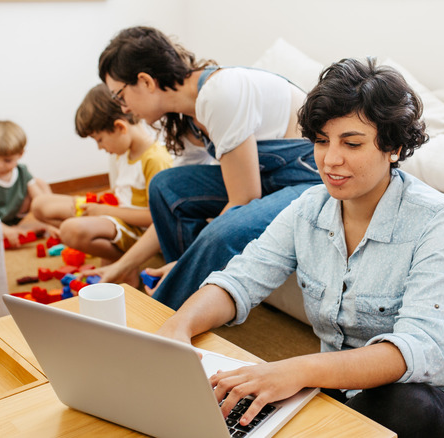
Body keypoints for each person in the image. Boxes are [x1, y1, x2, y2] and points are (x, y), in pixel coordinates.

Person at [156, 58, 444, 438]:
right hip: (341, 389)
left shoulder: (435, 220)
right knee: (247, 407)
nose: (330, 160)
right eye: (321, 141)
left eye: (352, 143)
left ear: (393, 147)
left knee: (405, 406)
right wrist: (178, 326)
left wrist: (296, 370)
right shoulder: (308, 208)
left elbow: (416, 349)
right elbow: (241, 279)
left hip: (432, 402)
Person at [93, 26, 321, 308]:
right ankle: (188, 294)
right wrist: (123, 265)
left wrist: (182, 266)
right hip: (269, 180)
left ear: (146, 81)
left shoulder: (220, 93)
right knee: (165, 186)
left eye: (120, 96)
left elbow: (244, 199)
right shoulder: (185, 117)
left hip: (308, 181)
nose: (124, 108)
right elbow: (173, 202)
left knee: (224, 232)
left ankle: (167, 311)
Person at [31, 84, 172, 281]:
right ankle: (116, 257)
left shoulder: (155, 159)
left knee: (71, 230)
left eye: (99, 140)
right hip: (116, 214)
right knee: (40, 205)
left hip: (138, 230)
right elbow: (123, 191)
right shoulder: (124, 152)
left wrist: (103, 210)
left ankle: (126, 264)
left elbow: (155, 218)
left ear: (120, 127)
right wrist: (97, 201)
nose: (100, 147)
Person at [0, 120, 52, 248]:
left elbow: (41, 201)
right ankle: (7, 231)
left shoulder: (22, 172)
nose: (0, 165)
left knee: (40, 184)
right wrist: (3, 229)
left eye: (7, 160)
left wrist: (50, 225)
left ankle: (15, 229)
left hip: (11, 219)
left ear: (20, 154)